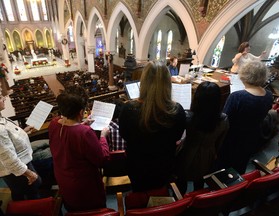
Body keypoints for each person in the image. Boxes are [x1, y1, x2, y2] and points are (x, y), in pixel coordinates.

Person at [119, 61, 186, 192]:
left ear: (143, 82)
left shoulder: (128, 109)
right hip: (164, 165)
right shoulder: (178, 111)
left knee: (139, 192)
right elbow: (177, 136)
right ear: (167, 83)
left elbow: (124, 135)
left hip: (137, 166)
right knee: (160, 190)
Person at [48, 86, 110, 212]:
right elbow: (102, 159)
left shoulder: (54, 123)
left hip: (64, 180)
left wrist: (80, 124)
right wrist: (103, 137)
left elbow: (67, 134)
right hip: (84, 185)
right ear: (81, 112)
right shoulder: (84, 133)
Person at [216, 61, 273, 174]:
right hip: (252, 138)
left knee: (222, 169)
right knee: (239, 167)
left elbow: (225, 121)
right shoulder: (268, 95)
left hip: (232, 140)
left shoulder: (237, 97)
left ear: (245, 75)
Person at [174, 81, 229, 193]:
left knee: (181, 180)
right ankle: (198, 200)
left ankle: (180, 201)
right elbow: (220, 141)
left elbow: (178, 136)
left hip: (187, 152)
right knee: (200, 181)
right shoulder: (223, 119)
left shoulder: (189, 117)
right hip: (208, 154)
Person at [0, 94, 42, 201]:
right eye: (0, 97)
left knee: (20, 194)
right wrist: (29, 174)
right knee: (31, 195)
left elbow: (8, 139)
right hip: (17, 169)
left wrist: (24, 131)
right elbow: (8, 157)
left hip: (18, 166)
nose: (4, 98)